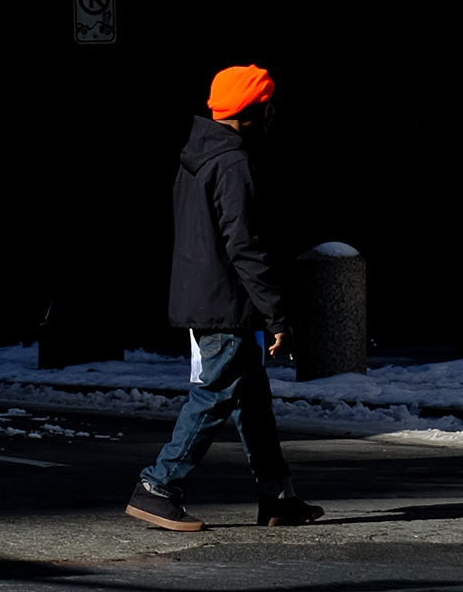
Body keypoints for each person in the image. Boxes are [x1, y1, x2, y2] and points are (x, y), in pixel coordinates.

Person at [125, 63, 326, 531]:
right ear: (250, 108)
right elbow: (245, 247)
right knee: (214, 397)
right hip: (226, 305)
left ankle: (278, 497)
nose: (273, 111)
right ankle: (158, 486)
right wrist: (277, 315)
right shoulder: (234, 163)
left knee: (252, 403)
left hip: (208, 298)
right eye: (268, 103)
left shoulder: (197, 157)